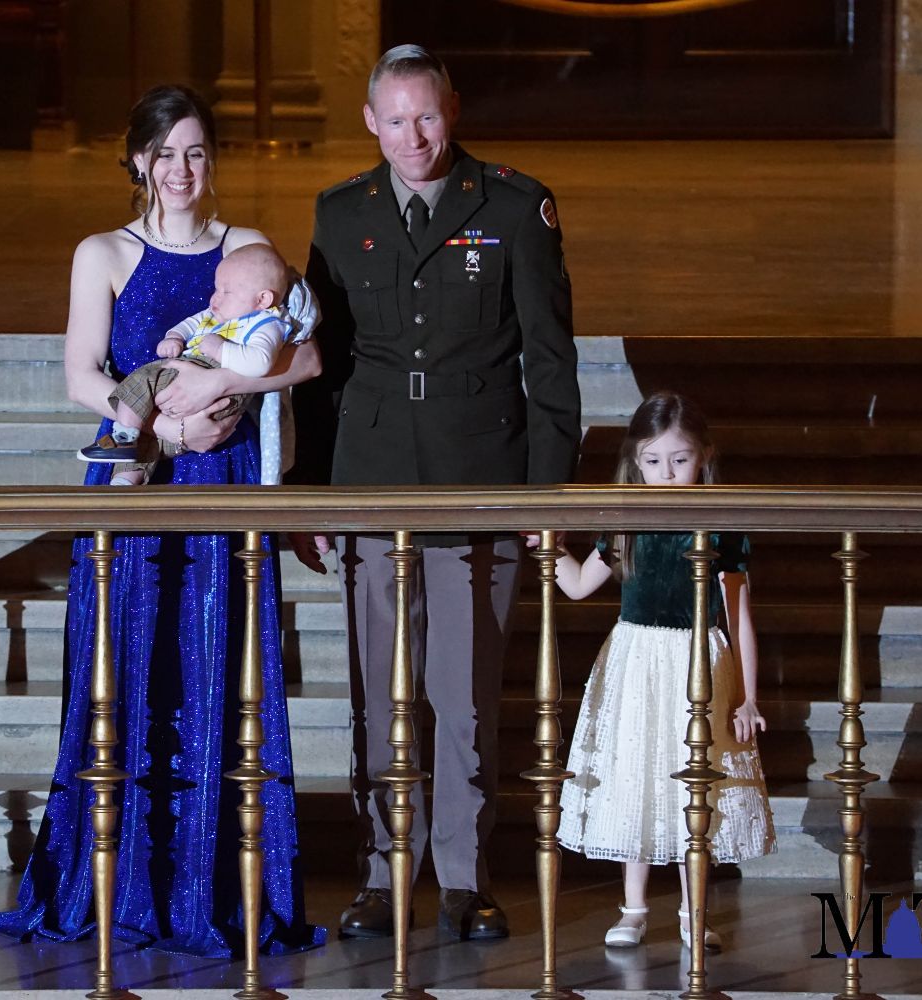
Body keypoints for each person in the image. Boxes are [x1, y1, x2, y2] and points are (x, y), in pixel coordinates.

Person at [0, 84, 327, 958]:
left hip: (226, 482)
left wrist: (222, 382)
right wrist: (166, 429)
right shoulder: (102, 252)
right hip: (137, 477)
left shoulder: (247, 248)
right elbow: (81, 374)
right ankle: (116, 881)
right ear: (138, 160)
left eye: (196, 152)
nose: (181, 169)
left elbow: (305, 358)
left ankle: (216, 886)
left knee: (219, 668)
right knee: (127, 665)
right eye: (165, 153)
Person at [289, 44, 581, 942]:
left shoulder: (515, 206)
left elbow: (550, 362)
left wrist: (546, 500)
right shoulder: (341, 212)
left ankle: (462, 877)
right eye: (395, 119)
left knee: (464, 699)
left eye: (427, 115)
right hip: (371, 482)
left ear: (452, 109)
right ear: (370, 122)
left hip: (478, 485)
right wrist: (309, 493)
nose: (413, 136)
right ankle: (383, 874)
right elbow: (321, 368)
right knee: (378, 698)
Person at [550, 391, 774, 951]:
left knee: (693, 782)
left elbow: (739, 616)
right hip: (636, 663)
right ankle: (633, 908)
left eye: (679, 459)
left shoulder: (719, 525)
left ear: (703, 457)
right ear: (636, 461)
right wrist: (548, 548)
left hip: (697, 663)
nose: (667, 473)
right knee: (638, 777)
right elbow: (577, 585)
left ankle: (694, 912)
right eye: (653, 461)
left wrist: (747, 697)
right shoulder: (627, 520)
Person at [77, 243, 305, 486]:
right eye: (216, 289)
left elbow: (267, 362)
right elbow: (191, 323)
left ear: (263, 299)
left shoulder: (265, 324)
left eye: (225, 292)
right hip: (161, 410)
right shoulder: (217, 314)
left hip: (216, 401)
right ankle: (127, 477)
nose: (215, 297)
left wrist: (219, 361)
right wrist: (175, 337)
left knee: (147, 378)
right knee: (147, 431)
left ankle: (124, 439)